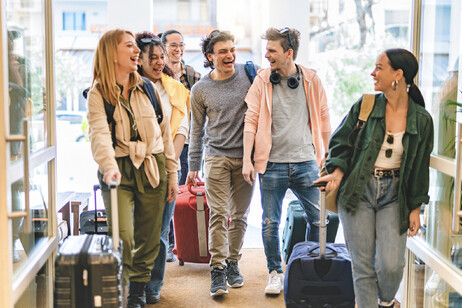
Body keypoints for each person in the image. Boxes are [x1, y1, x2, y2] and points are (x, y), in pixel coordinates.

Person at [314, 48, 433, 308]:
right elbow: (340, 142)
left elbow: (421, 168)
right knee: (363, 265)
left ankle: (386, 302)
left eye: (379, 67)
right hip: (359, 189)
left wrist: (416, 207)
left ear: (398, 75)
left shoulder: (422, 120)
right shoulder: (366, 105)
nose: (373, 72)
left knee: (391, 265)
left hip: (395, 195)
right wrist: (335, 172)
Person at [87, 29, 178, 308]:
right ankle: (124, 285)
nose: (136, 50)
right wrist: (109, 167)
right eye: (129, 46)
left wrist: (172, 174)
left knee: (149, 237)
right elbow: (99, 135)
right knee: (123, 235)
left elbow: (164, 135)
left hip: (153, 165)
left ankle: (137, 290)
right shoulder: (98, 92)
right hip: (118, 170)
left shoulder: (148, 88)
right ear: (111, 53)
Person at [243, 27, 331, 296]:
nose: (266, 55)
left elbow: (325, 121)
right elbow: (251, 120)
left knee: (319, 220)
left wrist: (326, 159)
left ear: (288, 52)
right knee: (270, 222)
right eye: (265, 49)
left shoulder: (311, 80)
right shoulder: (262, 80)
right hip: (271, 164)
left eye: (272, 50)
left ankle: (307, 267)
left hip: (307, 162)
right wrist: (248, 160)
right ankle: (275, 273)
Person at [186, 30, 257, 297]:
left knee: (239, 215)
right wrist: (193, 165)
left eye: (232, 49)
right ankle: (217, 269)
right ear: (210, 56)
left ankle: (233, 263)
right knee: (218, 214)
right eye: (222, 51)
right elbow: (196, 131)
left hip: (246, 159)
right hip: (215, 156)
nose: (229, 55)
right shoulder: (200, 89)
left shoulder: (250, 74)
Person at [135, 31, 190, 304]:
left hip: (167, 166)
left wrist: (171, 166)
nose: (159, 62)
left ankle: (152, 285)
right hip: (136, 167)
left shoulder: (175, 89)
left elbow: (182, 128)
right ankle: (135, 284)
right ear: (139, 60)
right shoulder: (129, 86)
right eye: (152, 57)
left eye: (161, 57)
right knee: (136, 230)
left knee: (159, 231)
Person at [160, 29, 202, 263]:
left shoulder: (191, 75)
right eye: (173, 45)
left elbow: (198, 111)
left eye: (181, 45)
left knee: (182, 193)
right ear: (163, 47)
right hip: (164, 141)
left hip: (186, 142)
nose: (178, 49)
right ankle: (166, 242)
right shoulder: (156, 74)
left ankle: (180, 243)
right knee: (166, 192)